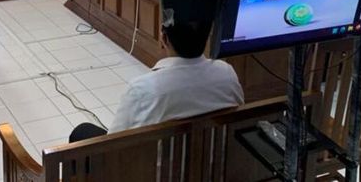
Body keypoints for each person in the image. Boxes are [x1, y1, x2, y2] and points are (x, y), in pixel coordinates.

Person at [68, 19, 244, 142]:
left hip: (150, 173)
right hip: (211, 169)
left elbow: (112, 144)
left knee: (82, 132)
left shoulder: (143, 89)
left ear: (164, 39)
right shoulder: (227, 73)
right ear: (208, 37)